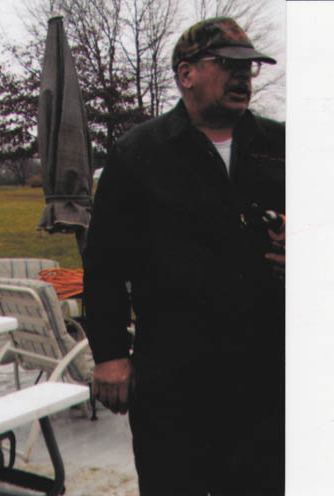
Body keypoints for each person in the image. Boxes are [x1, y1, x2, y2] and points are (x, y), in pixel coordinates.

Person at [83, 17, 285, 495]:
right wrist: (110, 355)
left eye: (250, 68)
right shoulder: (139, 154)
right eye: (228, 65)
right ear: (186, 73)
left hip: (265, 371)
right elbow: (105, 263)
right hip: (173, 374)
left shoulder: (282, 147)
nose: (242, 77)